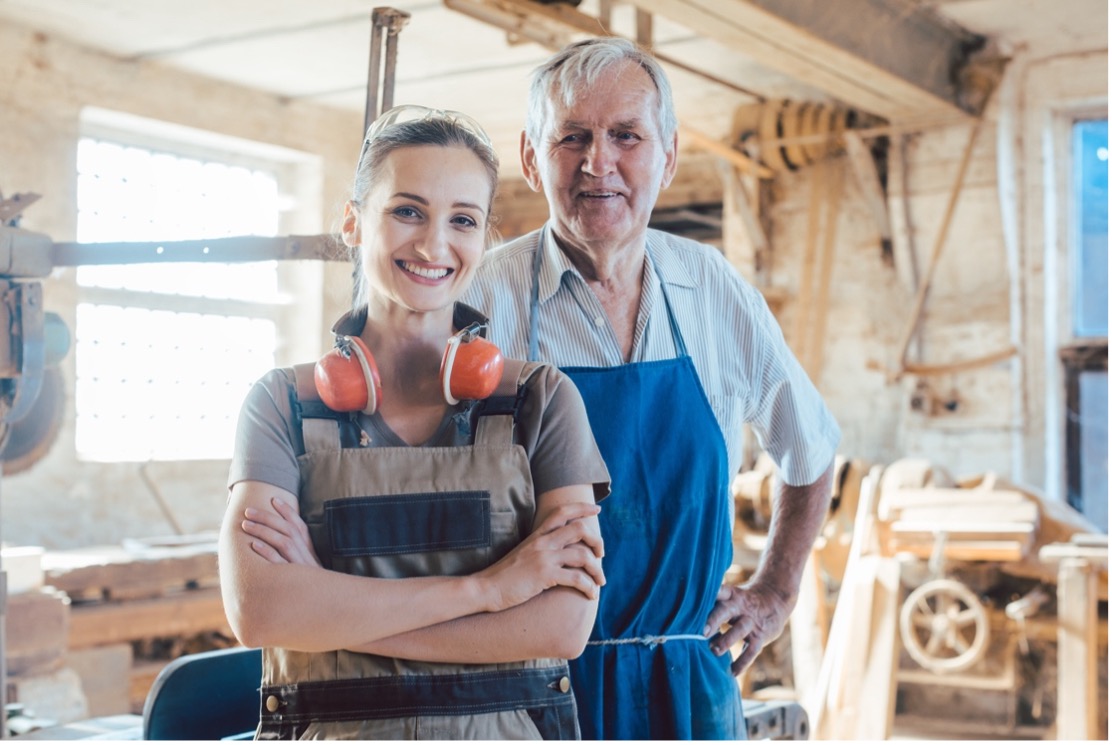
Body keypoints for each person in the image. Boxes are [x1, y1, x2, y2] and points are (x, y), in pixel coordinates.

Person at [461, 38, 842, 740]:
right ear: (529, 156)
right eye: (571, 136)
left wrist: (777, 591)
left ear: (667, 155)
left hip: (688, 692)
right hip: (526, 690)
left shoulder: (716, 291)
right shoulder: (479, 298)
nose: (596, 162)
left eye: (625, 136)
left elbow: (811, 449)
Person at [218, 105, 611, 740]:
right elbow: (260, 611)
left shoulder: (541, 401)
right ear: (353, 222)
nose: (433, 245)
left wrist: (325, 604)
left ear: (485, 236)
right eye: (407, 211)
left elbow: (562, 627)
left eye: (462, 219)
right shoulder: (281, 406)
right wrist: (491, 590)